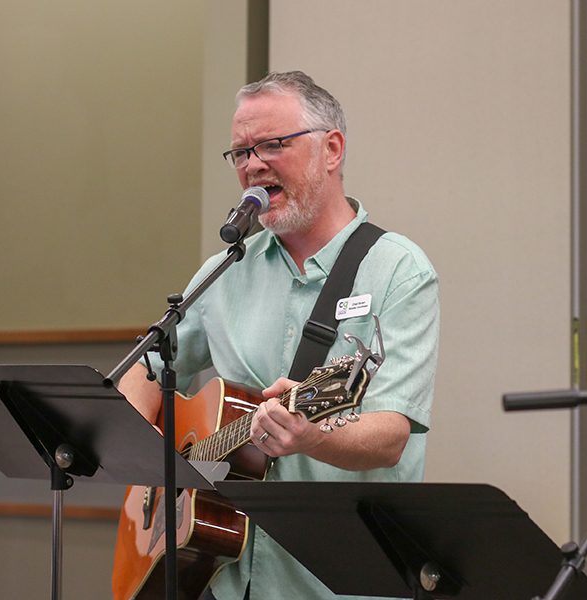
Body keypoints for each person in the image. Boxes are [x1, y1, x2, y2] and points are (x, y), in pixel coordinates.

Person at [119, 70, 439, 599]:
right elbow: (147, 363)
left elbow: (391, 434)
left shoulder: (398, 271)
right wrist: (147, 461)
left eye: (271, 145)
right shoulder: (225, 269)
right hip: (224, 580)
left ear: (331, 149)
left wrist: (313, 435)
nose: (253, 165)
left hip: (336, 583)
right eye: (241, 153)